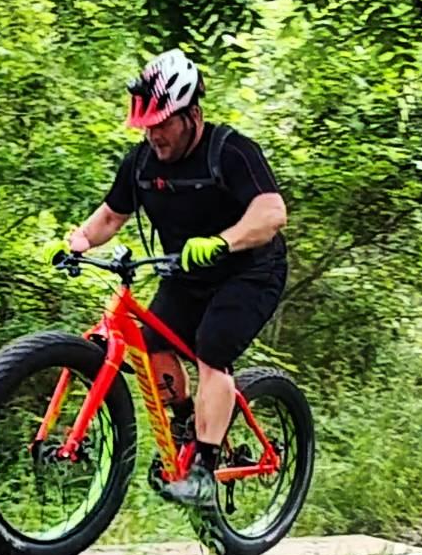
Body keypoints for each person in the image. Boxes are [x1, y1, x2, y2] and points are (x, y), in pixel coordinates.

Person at [57, 48, 288, 507]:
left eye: (162, 124)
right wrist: (77, 242)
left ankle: (203, 470)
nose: (153, 135)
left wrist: (224, 241)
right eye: (147, 126)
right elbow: (111, 215)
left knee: (211, 349)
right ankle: (188, 422)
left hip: (249, 270)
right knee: (151, 344)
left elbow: (272, 212)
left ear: (192, 115)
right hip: (186, 272)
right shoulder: (141, 161)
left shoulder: (231, 151)